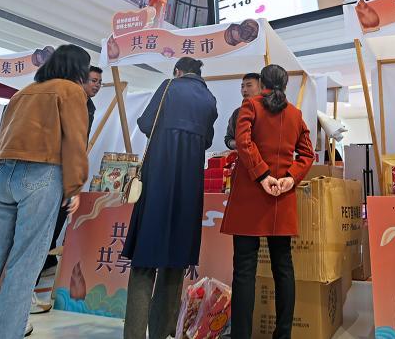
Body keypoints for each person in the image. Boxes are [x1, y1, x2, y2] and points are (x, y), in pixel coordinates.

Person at [0, 44, 91, 339]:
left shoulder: (23, 93)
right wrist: (74, 186)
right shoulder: (71, 91)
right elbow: (75, 141)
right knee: (23, 267)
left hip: (3, 176)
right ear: (79, 68)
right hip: (43, 175)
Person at [122, 57, 219, 339]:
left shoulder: (168, 87)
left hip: (158, 181)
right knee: (175, 260)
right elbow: (208, 140)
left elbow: (145, 124)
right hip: (189, 187)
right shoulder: (209, 99)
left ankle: (134, 334)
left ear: (178, 71)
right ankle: (162, 332)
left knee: (144, 261)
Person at [222, 64, 315, 339]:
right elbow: (307, 154)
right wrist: (290, 179)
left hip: (250, 195)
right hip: (281, 197)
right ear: (285, 85)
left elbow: (243, 143)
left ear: (262, 84)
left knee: (244, 270)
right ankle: (283, 335)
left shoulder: (250, 107)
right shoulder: (295, 114)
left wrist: (262, 175)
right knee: (283, 267)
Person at [31, 65, 104, 314]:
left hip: (64, 176)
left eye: (99, 82)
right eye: (93, 80)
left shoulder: (88, 106)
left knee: (51, 230)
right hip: (50, 173)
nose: (97, 85)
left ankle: (31, 285)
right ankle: (24, 294)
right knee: (39, 234)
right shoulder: (66, 99)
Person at [225, 73, 262, 150]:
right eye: (242, 86)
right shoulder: (237, 113)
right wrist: (236, 143)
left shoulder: (267, 111)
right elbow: (228, 138)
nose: (244, 90)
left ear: (261, 88)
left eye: (249, 85)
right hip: (244, 154)